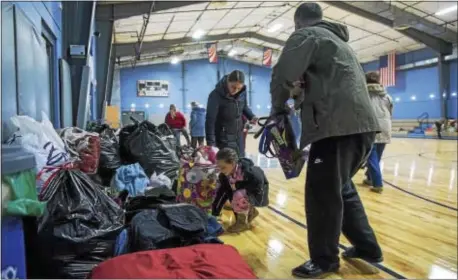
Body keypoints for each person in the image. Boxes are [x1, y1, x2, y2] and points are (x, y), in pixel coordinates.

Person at [269, 3, 383, 278]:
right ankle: (367, 247)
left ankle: (324, 260)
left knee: (321, 194)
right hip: (362, 128)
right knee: (341, 188)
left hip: (335, 129)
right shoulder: (337, 42)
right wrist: (298, 97)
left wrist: (277, 108)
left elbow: (283, 74)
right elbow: (319, 84)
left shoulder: (305, 35)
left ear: (298, 23)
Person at [211, 148, 269, 233]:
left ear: (233, 163)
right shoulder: (225, 175)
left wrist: (238, 186)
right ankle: (251, 212)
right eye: (218, 167)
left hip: (259, 192)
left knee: (238, 195)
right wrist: (215, 212)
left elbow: (258, 183)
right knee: (231, 192)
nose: (220, 170)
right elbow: (222, 193)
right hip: (247, 191)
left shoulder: (249, 171)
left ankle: (242, 223)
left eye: (223, 167)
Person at [206, 70, 257, 157]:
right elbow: (210, 121)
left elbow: (244, 106)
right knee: (227, 164)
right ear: (227, 82)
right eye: (233, 87)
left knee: (241, 161)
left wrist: (251, 116)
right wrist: (211, 144)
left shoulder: (242, 93)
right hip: (223, 138)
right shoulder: (215, 95)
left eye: (239, 88)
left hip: (239, 135)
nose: (236, 90)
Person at [364, 71, 393, 193]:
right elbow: (390, 112)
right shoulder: (387, 96)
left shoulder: (363, 94)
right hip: (385, 126)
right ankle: (370, 177)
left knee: (371, 156)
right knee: (377, 156)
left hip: (370, 127)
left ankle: (377, 183)